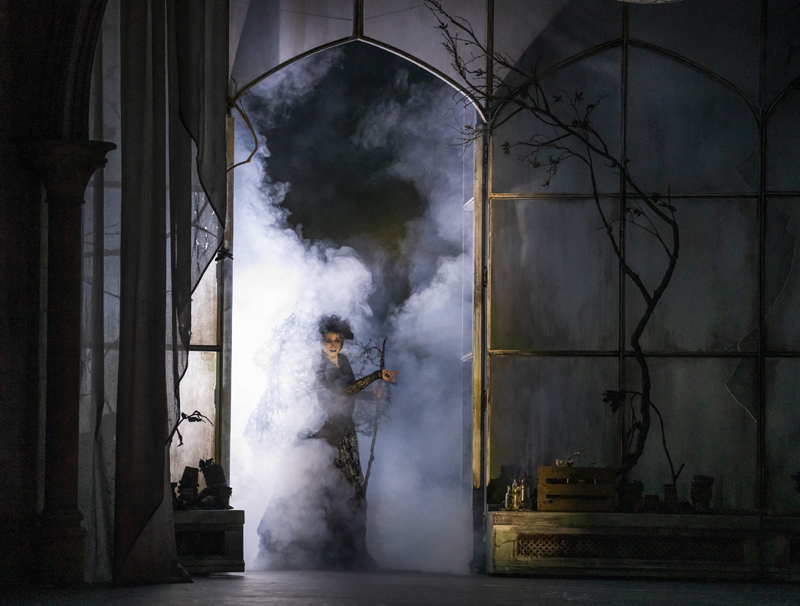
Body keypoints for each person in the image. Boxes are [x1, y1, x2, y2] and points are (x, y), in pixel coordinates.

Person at [256, 314, 398, 570]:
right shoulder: (320, 366)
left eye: (337, 340)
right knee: (324, 489)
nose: (333, 344)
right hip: (325, 432)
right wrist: (376, 375)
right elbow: (342, 392)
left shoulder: (342, 361)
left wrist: (371, 395)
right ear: (321, 342)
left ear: (342, 343)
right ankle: (314, 550)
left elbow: (350, 390)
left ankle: (349, 551)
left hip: (345, 432)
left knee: (353, 491)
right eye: (328, 340)